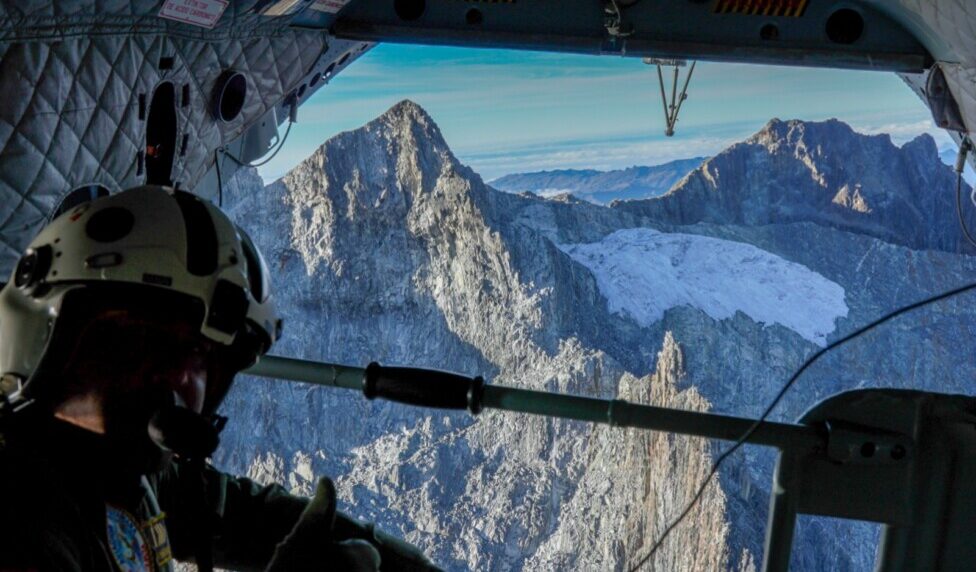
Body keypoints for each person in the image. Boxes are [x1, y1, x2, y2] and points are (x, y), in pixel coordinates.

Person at [0, 186, 440, 571]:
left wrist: (400, 564)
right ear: (53, 340)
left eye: (200, 357)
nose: (180, 377)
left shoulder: (122, 474)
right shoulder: (20, 514)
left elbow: (245, 517)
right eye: (146, 342)